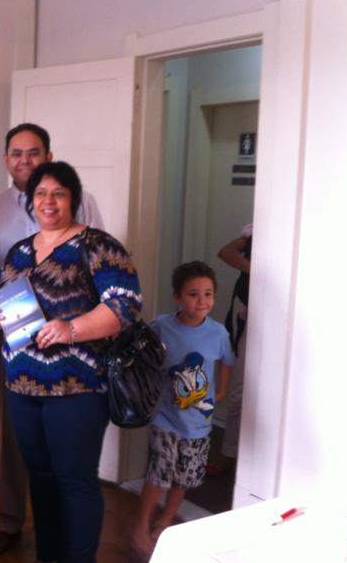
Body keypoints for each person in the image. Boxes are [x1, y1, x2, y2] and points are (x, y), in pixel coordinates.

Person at [0, 161, 141, 563]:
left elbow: (125, 306)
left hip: (76, 388)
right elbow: (0, 298)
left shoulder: (98, 245)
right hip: (22, 387)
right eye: (40, 193)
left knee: (75, 481)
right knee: (41, 478)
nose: (48, 201)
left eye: (58, 193)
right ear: (30, 200)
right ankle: (49, 556)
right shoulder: (20, 252)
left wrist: (71, 329)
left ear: (74, 199)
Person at [0, 123, 104, 556]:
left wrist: (78, 325)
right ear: (6, 160)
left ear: (48, 155)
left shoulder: (83, 202)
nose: (25, 160)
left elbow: (102, 267)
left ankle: (70, 530)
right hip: (13, 341)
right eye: (17, 153)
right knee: (14, 432)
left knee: (69, 456)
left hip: (75, 347)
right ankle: (10, 517)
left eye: (33, 152)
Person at [131, 261, 234, 558]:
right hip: (165, 418)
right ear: (177, 296)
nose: (202, 301)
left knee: (184, 476)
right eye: (193, 294)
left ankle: (165, 520)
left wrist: (221, 391)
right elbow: (140, 355)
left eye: (208, 294)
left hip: (199, 423)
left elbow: (227, 361)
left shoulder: (218, 333)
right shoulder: (161, 327)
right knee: (159, 473)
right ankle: (140, 526)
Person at [211, 223, 253, 473]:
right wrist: (256, 270)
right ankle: (229, 455)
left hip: (283, 325)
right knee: (239, 392)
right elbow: (225, 252)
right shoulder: (255, 235)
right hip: (248, 318)